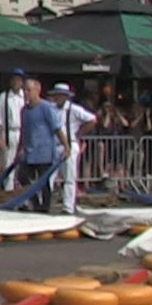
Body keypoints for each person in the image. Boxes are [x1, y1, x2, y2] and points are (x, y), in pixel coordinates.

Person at [15, 79, 67, 210]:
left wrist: (66, 147)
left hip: (44, 151)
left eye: (28, 90)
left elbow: (57, 128)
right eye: (24, 90)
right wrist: (21, 148)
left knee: (44, 182)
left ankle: (45, 207)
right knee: (23, 177)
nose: (26, 93)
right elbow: (24, 131)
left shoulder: (46, 107)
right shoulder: (24, 111)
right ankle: (35, 203)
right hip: (30, 151)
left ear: (37, 91)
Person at [46, 83, 96, 213]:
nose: (57, 98)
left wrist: (78, 134)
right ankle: (45, 204)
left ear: (65, 96)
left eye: (60, 95)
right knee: (48, 176)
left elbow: (92, 119)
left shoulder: (74, 109)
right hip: (54, 146)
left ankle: (68, 207)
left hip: (69, 144)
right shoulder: (51, 109)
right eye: (56, 95)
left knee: (69, 177)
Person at [0, 69, 27, 176]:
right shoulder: (4, 97)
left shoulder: (25, 96)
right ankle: (9, 191)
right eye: (14, 80)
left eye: (18, 80)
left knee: (23, 165)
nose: (16, 82)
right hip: (9, 133)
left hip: (23, 132)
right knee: (8, 164)